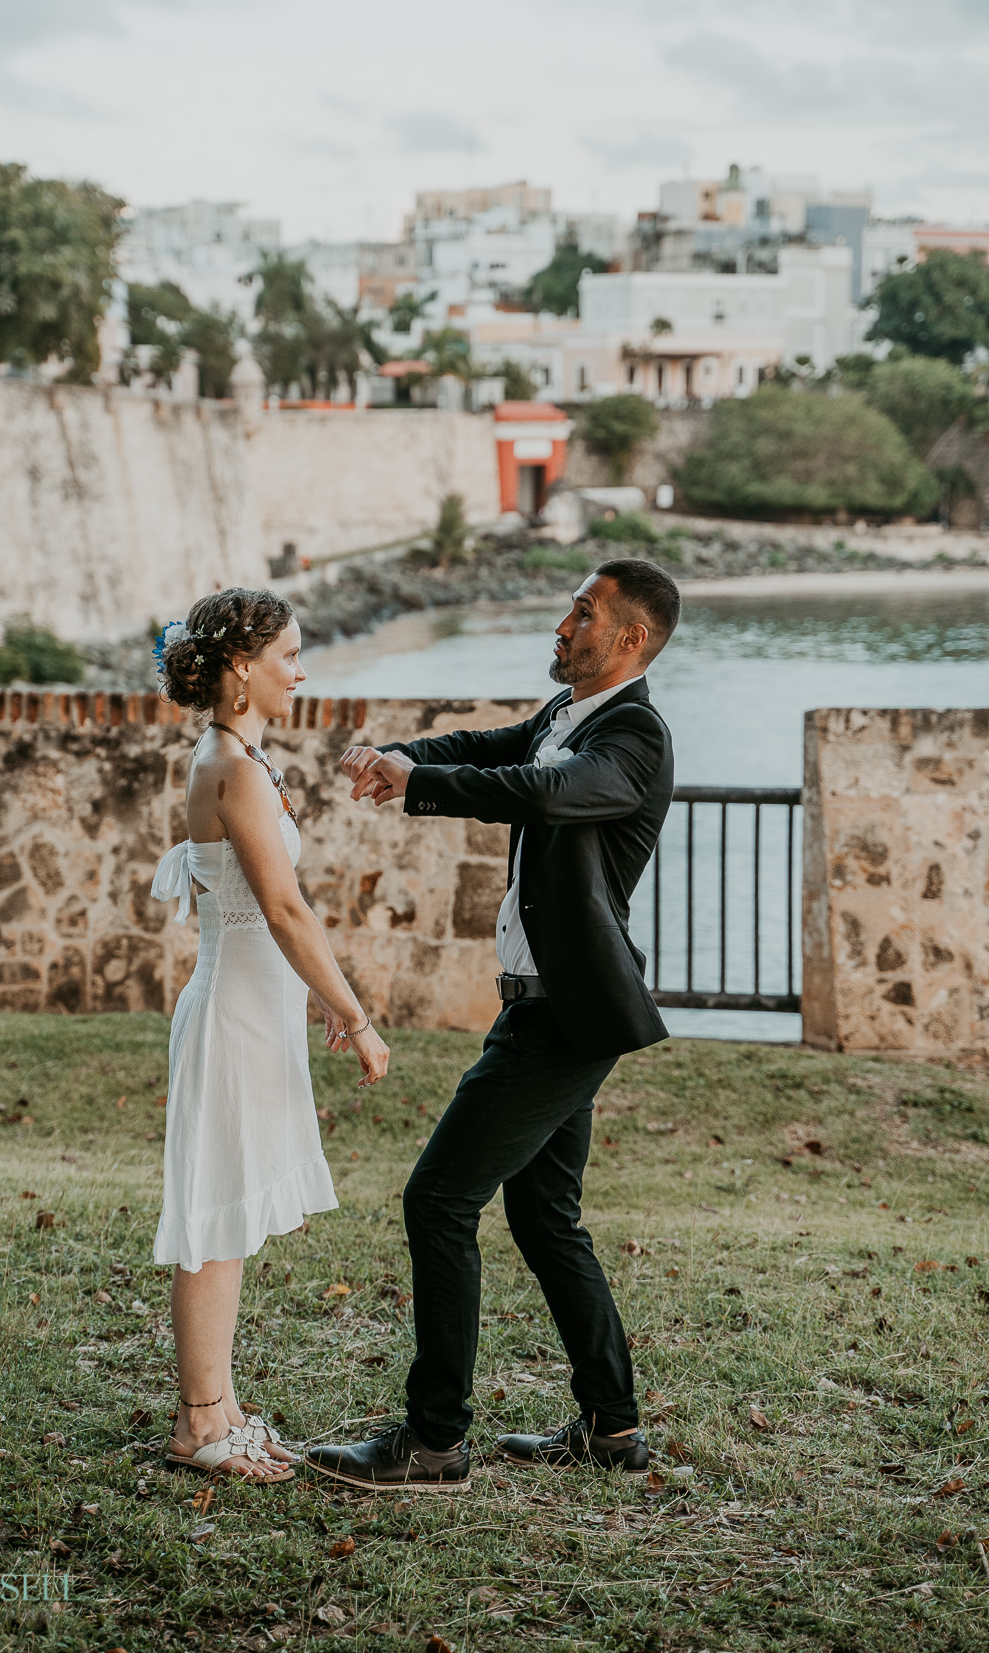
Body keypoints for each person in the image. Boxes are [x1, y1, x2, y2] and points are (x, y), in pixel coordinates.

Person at [305, 556, 680, 1493]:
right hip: (544, 1007)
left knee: (437, 1201)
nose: (563, 624)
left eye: (583, 613)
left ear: (629, 638)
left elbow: (546, 793)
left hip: (564, 1017)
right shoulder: (566, 716)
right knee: (544, 1215)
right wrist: (403, 758)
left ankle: (433, 1443)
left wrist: (418, 785)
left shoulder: (633, 738)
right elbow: (490, 749)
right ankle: (612, 1428)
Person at [150, 588, 390, 1482]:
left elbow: (274, 912)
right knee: (213, 1216)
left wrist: (316, 1002)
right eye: (290, 653)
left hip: (259, 1012)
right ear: (242, 669)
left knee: (233, 1212)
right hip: (233, 1018)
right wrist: (355, 1014)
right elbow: (285, 911)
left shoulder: (239, 755)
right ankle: (201, 1424)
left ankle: (221, 1406)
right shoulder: (232, 766)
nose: (302, 669)